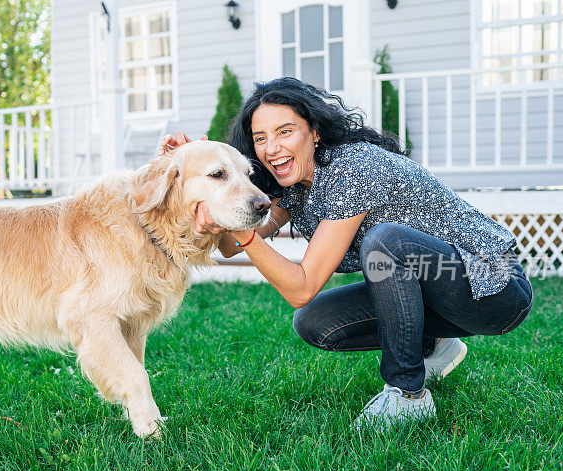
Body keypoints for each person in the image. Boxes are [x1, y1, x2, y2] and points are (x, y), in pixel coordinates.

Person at [159, 77, 533, 430]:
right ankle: (432, 344)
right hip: (442, 289)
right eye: (260, 138)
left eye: (284, 132)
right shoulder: (296, 185)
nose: (271, 148)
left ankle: (408, 393)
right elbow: (228, 245)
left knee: (386, 243)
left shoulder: (352, 168)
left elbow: (301, 287)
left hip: (496, 286)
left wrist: (239, 226)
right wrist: (200, 174)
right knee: (315, 321)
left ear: (315, 132)